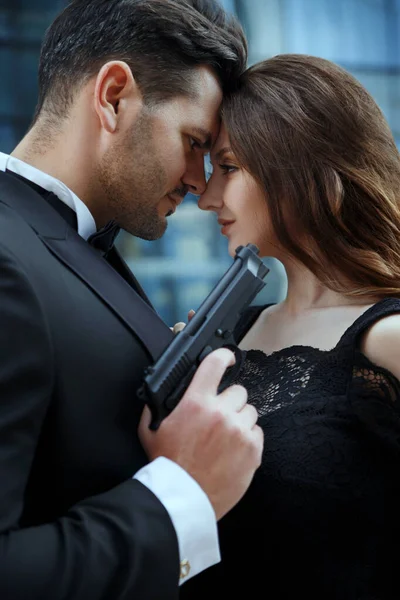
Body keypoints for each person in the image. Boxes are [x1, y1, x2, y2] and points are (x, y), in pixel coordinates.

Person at [0, 1, 264, 598]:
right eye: (194, 141)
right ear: (114, 96)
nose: (200, 183)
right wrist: (182, 493)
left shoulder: (73, 241)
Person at [181, 54, 400, 599]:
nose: (208, 198)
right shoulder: (233, 331)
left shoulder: (388, 339)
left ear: (299, 168)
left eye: (228, 168)